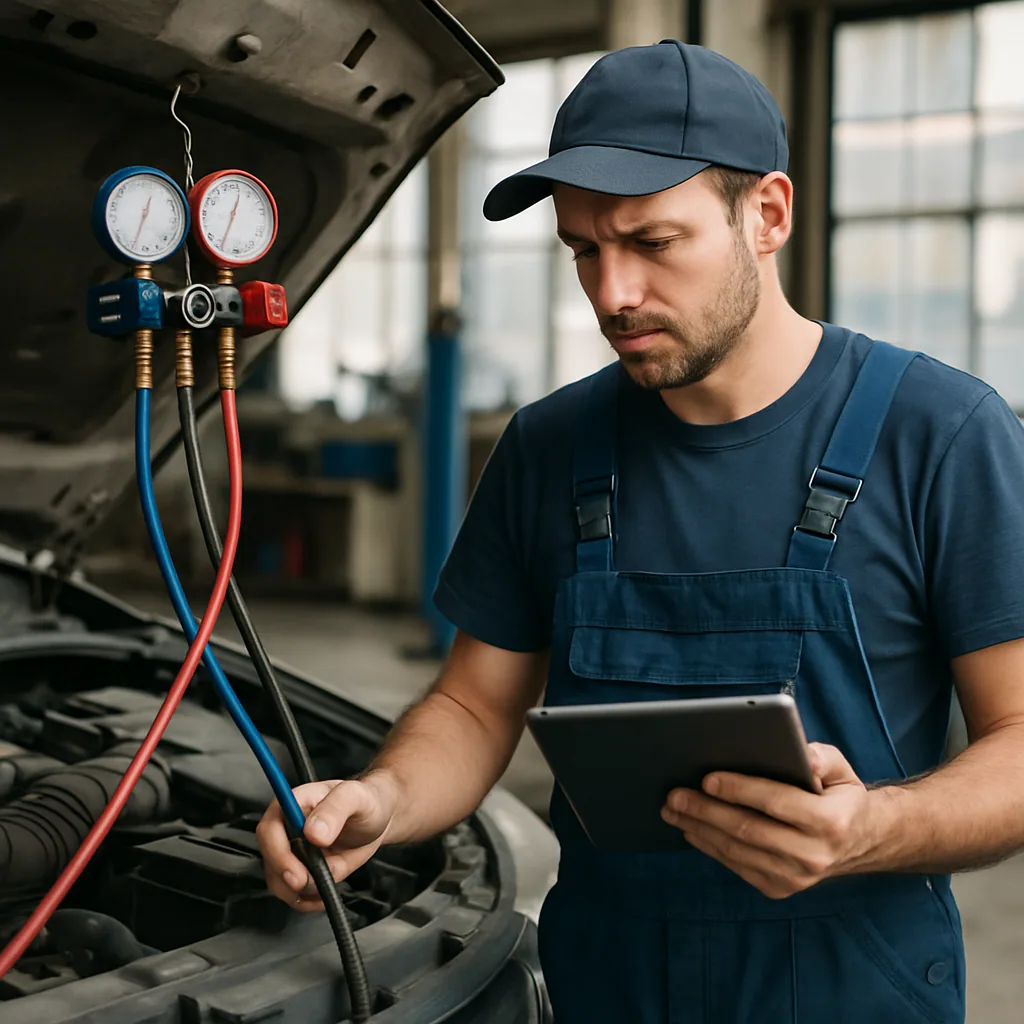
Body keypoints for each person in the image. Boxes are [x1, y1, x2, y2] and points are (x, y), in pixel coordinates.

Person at [257, 40, 1024, 1023]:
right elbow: (475, 704)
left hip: (848, 984)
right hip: (604, 983)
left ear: (768, 215)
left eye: (651, 241)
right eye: (583, 249)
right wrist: (383, 801)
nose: (610, 294)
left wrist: (870, 826)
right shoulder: (549, 447)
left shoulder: (943, 435)